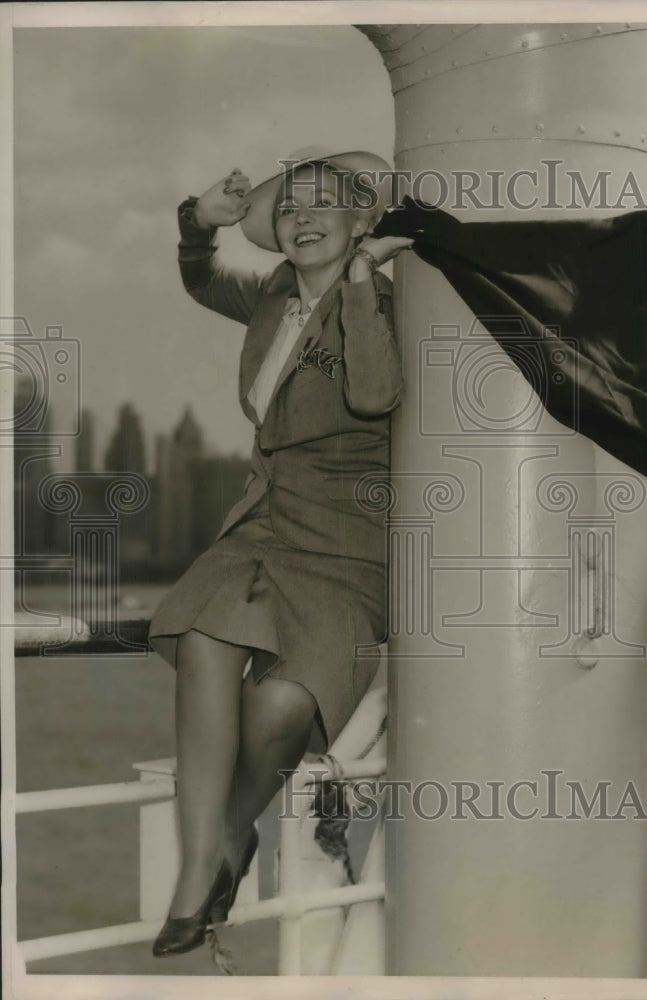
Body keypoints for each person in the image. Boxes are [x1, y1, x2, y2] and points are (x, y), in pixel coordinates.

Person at [148, 149, 412, 956]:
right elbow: (199, 280)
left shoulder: (388, 304)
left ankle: (232, 834)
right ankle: (197, 872)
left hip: (351, 539)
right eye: (289, 206)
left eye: (325, 205)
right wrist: (198, 223)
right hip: (267, 520)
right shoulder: (268, 296)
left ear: (362, 221)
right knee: (202, 637)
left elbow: (373, 394)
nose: (301, 218)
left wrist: (364, 279)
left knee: (284, 706)